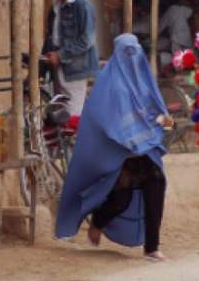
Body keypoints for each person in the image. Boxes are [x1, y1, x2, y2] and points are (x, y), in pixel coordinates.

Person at [55, 34, 173, 262]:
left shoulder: (142, 80)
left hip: (146, 149)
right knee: (122, 197)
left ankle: (152, 247)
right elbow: (109, 120)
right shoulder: (112, 86)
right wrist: (150, 126)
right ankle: (98, 222)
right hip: (122, 152)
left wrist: (164, 120)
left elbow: (153, 110)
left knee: (155, 188)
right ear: (118, 54)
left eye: (135, 51)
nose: (133, 57)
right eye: (128, 52)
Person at [43, 0, 99, 117]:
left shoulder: (82, 6)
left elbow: (86, 40)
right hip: (57, 67)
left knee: (72, 115)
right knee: (59, 114)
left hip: (74, 69)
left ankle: (77, 142)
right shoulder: (56, 7)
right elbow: (51, 37)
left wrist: (60, 55)